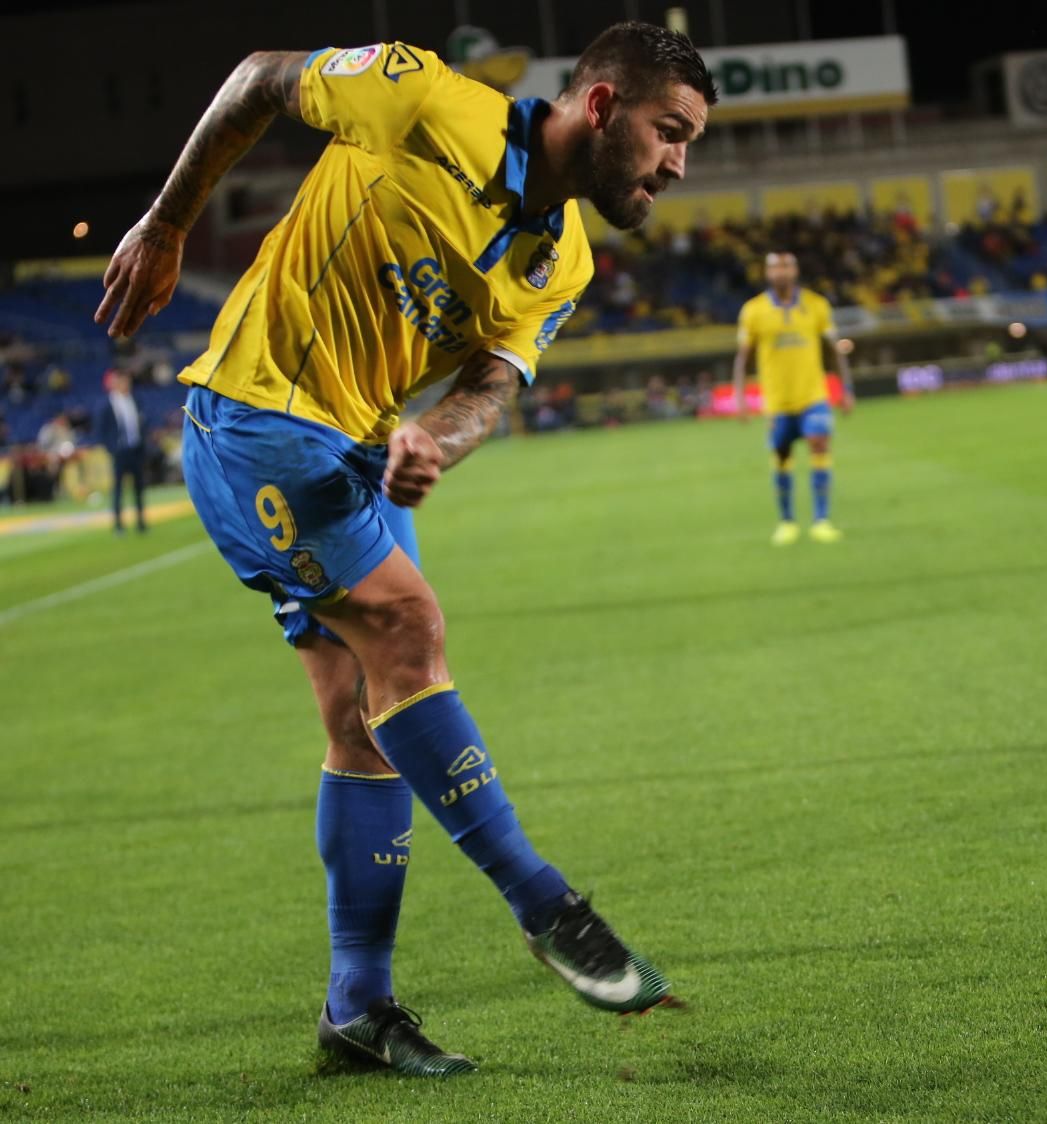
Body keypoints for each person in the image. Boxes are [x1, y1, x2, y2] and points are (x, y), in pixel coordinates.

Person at [95, 23, 716, 1075]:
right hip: (254, 412)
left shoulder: (559, 258)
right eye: (668, 133)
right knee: (410, 623)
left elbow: (489, 388)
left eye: (689, 145)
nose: (676, 165)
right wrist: (165, 224)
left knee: (368, 724)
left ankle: (357, 1007)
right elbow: (254, 81)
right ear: (601, 106)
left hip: (360, 447)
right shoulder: (422, 97)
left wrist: (441, 440)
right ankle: (545, 901)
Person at [733, 251, 854, 545]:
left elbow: (834, 351)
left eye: (786, 266)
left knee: (819, 442)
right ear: (767, 273)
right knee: (782, 456)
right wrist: (741, 398)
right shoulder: (753, 311)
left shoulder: (816, 305)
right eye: (775, 267)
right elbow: (742, 358)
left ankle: (821, 520)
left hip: (813, 395)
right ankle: (787, 522)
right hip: (777, 402)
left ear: (795, 271)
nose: (781, 272)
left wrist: (846, 389)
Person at [95, 370, 148, 533]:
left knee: (139, 487)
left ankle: (140, 522)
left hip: (135, 449)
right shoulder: (106, 404)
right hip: (119, 451)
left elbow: (142, 423)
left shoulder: (135, 400)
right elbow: (101, 430)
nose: (126, 385)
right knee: (118, 488)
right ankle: (118, 524)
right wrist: (112, 448)